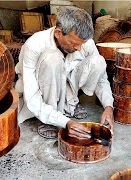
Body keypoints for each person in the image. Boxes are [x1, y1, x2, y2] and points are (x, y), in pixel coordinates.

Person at [15, 6, 114, 139]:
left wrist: (108, 106)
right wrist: (65, 122)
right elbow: (32, 95)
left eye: (81, 44)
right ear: (58, 33)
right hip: (42, 90)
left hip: (68, 85)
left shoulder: (84, 42)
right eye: (73, 43)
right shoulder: (34, 45)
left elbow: (101, 78)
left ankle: (71, 103)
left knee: (98, 61)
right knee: (52, 58)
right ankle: (50, 116)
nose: (79, 48)